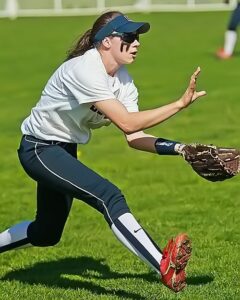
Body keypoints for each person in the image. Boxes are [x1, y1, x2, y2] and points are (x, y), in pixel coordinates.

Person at [0, 11, 206, 293]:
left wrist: (182, 149)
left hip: (62, 149)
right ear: (106, 41)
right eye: (129, 36)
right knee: (109, 195)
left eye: (138, 38)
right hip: (39, 148)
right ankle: (163, 264)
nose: (136, 43)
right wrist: (178, 105)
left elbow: (134, 136)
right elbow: (127, 121)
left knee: (47, 233)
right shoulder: (85, 68)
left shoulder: (123, 80)